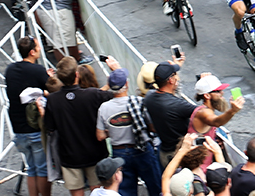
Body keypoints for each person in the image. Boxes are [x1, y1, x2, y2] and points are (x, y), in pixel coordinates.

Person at [43, 58, 113, 196]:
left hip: (69, 155)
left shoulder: (52, 100)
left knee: (76, 191)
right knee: (98, 190)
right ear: (76, 75)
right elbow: (117, 93)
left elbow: (50, 127)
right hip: (95, 152)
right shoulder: (92, 94)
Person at [95, 68, 162, 196]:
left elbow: (100, 135)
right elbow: (152, 128)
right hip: (142, 149)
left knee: (126, 191)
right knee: (155, 186)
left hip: (119, 152)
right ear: (126, 84)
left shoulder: (104, 108)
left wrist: (113, 130)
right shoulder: (138, 102)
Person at [5, 36, 52, 196]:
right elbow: (52, 88)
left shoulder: (10, 70)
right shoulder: (38, 70)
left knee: (31, 168)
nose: (40, 49)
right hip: (35, 128)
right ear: (32, 52)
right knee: (42, 169)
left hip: (18, 127)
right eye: (38, 47)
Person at [143, 60, 197, 168]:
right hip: (181, 156)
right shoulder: (177, 105)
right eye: (175, 75)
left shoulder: (149, 97)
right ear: (171, 80)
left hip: (164, 153)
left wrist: (176, 67)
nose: (177, 77)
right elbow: (204, 112)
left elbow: (171, 97)